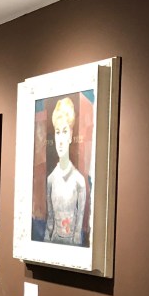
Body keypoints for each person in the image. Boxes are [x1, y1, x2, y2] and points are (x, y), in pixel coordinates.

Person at [44, 96, 87, 246]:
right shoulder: (50, 179)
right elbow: (50, 222)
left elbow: (78, 229)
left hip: (72, 248)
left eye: (64, 131)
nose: (61, 139)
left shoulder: (79, 181)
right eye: (57, 132)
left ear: (70, 135)